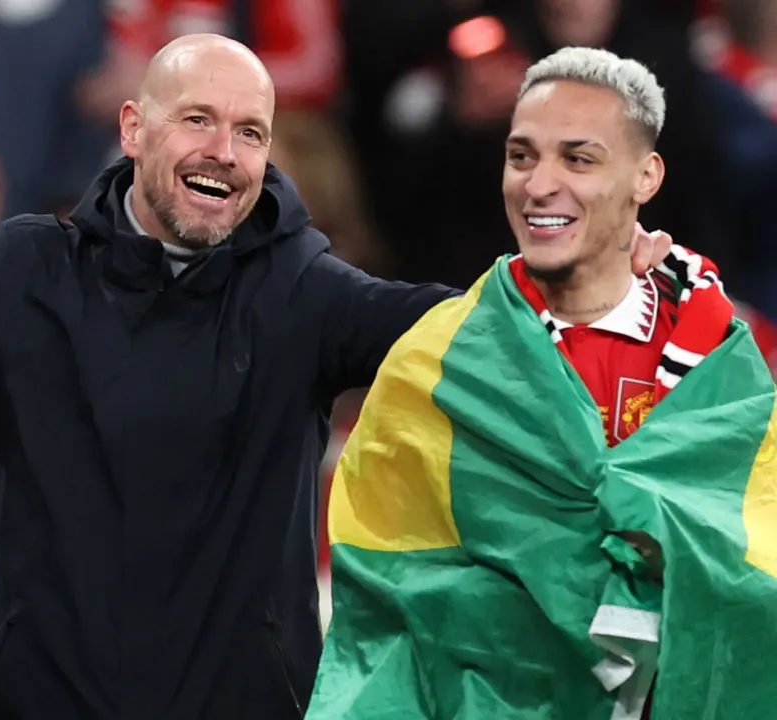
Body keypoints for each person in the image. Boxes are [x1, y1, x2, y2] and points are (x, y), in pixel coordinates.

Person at [0, 35, 674, 719]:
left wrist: (600, 290)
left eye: (250, 131)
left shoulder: (305, 291)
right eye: (198, 119)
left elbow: (470, 335)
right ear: (134, 128)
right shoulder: (23, 271)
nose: (224, 150)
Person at [307, 47, 777, 719]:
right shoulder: (439, 359)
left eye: (578, 159)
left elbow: (756, 565)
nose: (539, 184)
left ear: (645, 177)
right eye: (521, 156)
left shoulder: (718, 359)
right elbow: (390, 584)